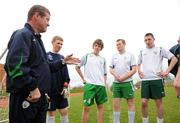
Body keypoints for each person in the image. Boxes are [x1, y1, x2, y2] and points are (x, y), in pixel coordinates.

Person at [4, 5, 79, 123]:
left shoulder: (37, 39)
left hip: (40, 99)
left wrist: (63, 62)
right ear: (37, 16)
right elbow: (14, 65)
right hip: (27, 97)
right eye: (47, 19)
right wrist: (33, 87)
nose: (48, 23)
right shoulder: (23, 34)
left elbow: (45, 67)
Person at [137, 33, 178, 123]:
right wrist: (139, 71)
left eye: (149, 39)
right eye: (145, 40)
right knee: (143, 102)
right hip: (145, 80)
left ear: (153, 39)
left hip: (157, 80)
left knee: (158, 103)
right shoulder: (142, 51)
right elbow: (138, 64)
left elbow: (174, 59)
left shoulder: (160, 49)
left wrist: (167, 71)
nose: (147, 42)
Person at [75, 39, 108, 123]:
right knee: (86, 108)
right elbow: (77, 67)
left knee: (100, 107)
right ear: (93, 46)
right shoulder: (87, 56)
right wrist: (83, 78)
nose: (97, 47)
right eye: (96, 45)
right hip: (90, 85)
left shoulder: (103, 59)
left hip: (100, 86)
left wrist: (104, 83)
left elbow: (104, 73)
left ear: (101, 48)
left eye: (99, 46)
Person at [110, 39, 136, 123]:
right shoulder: (114, 56)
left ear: (124, 44)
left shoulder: (130, 55)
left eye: (119, 44)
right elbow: (110, 68)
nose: (118, 46)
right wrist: (115, 75)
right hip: (116, 83)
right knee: (116, 104)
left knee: (130, 103)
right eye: (117, 45)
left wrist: (124, 77)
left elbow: (134, 69)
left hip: (127, 82)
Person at [46, 36, 70, 123]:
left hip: (61, 91)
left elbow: (66, 75)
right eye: (58, 43)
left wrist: (65, 86)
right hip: (50, 91)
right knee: (51, 113)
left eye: (61, 44)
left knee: (64, 111)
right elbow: (44, 73)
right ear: (52, 42)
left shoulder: (62, 58)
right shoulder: (46, 55)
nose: (60, 45)